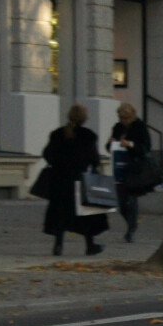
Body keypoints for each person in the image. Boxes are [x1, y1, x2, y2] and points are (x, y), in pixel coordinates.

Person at [42, 103, 108, 256]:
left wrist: (57, 164)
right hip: (79, 179)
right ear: (84, 119)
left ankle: (58, 246)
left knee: (60, 214)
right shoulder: (88, 136)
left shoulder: (58, 134)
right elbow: (94, 159)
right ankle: (90, 245)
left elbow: (47, 154)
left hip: (59, 180)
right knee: (86, 214)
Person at [105, 102, 150, 242]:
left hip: (134, 167)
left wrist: (130, 144)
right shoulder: (118, 128)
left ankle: (131, 230)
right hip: (120, 167)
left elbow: (145, 148)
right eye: (121, 118)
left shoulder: (140, 127)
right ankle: (132, 222)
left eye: (126, 118)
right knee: (121, 202)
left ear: (132, 117)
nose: (123, 121)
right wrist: (110, 143)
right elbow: (110, 148)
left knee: (131, 199)